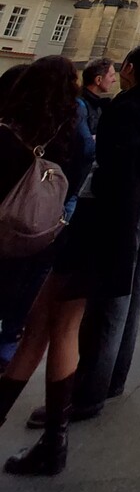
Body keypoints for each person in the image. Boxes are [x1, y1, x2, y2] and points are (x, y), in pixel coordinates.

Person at [0, 46, 140, 476]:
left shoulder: (38, 128)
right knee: (53, 327)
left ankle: (57, 432)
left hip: (82, 230)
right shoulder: (82, 130)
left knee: (38, 328)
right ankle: (56, 437)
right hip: (84, 228)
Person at [24, 45, 140, 431]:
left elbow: (111, 159)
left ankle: (90, 388)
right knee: (127, 289)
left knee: (105, 299)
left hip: (122, 200)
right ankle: (111, 377)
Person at [0, 59, 91, 376]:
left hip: (13, 215)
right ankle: (9, 340)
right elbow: (83, 161)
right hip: (43, 220)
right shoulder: (70, 122)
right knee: (30, 287)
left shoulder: (10, 123)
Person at [78, 58, 116, 137]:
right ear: (98, 79)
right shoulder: (80, 104)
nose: (114, 80)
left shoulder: (98, 104)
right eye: (111, 75)